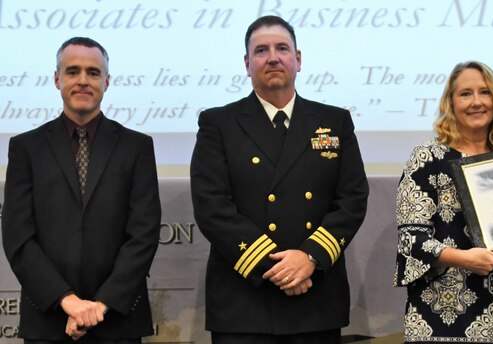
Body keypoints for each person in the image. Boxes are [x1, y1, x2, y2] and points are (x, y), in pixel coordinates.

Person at [189, 15, 369, 344]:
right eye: (261, 50)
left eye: (282, 48)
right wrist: (275, 267)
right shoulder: (218, 124)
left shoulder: (334, 121)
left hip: (315, 297)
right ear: (247, 64)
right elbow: (211, 207)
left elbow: (353, 200)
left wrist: (310, 257)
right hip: (243, 302)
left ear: (298, 59)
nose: (272, 57)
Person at [1, 37, 161, 342]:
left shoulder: (137, 147)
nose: (83, 81)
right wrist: (69, 302)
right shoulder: (25, 148)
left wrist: (101, 306)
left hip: (118, 320)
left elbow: (144, 234)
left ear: (107, 81)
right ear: (57, 79)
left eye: (93, 72)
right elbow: (18, 237)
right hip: (49, 319)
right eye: (73, 71)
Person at [395, 61, 493, 343]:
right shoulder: (427, 159)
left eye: (485, 92)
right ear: (451, 103)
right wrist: (463, 259)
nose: (476, 102)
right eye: (465, 94)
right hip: (439, 318)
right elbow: (410, 239)